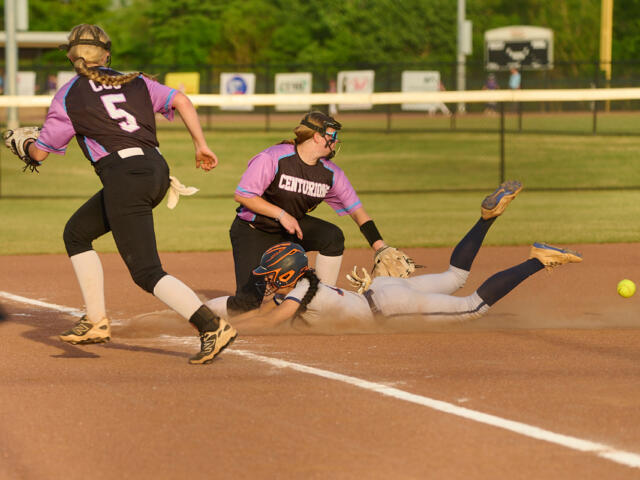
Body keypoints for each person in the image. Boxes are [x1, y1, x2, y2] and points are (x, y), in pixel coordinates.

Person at [20, 24, 236, 365]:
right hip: (154, 171)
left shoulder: (69, 94)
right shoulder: (133, 80)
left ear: (72, 58)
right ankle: (95, 320)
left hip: (124, 177)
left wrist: (22, 143)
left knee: (147, 271)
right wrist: (201, 145)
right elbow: (179, 99)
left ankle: (211, 326)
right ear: (107, 55)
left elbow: (39, 154)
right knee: (77, 233)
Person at [220, 181, 583, 331]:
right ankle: (485, 220)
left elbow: (269, 320)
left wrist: (229, 327)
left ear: (286, 274)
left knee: (474, 306)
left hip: (388, 305)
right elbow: (267, 311)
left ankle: (538, 260)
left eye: (270, 271)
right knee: (455, 278)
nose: (266, 276)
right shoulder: (301, 284)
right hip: (383, 293)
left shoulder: (297, 294)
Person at [214, 111, 406, 319]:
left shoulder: (330, 173)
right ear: (316, 136)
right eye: (331, 136)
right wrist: (281, 214)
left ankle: (319, 300)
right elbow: (244, 195)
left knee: (332, 236)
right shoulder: (273, 157)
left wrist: (380, 247)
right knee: (247, 305)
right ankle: (204, 313)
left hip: (290, 230)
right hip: (254, 231)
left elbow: (357, 212)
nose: (335, 141)